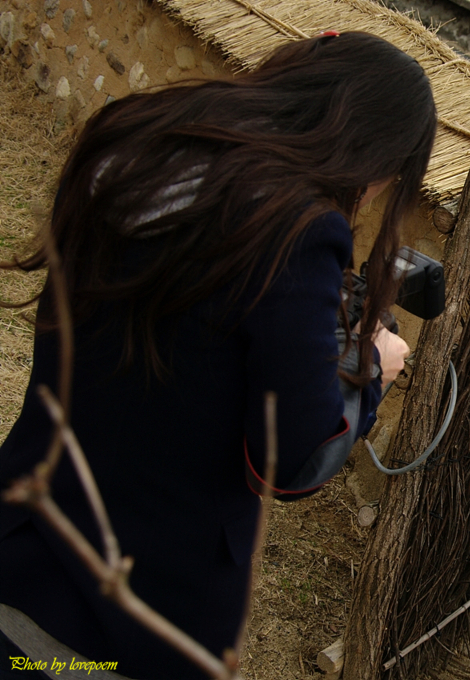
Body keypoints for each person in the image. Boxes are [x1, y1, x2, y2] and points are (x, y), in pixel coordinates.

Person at [0, 32, 435, 679]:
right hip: (132, 613)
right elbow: (293, 459)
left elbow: (186, 342)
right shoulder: (299, 228)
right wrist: (371, 369)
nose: (374, 192)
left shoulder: (133, 139)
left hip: (21, 545)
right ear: (372, 153)